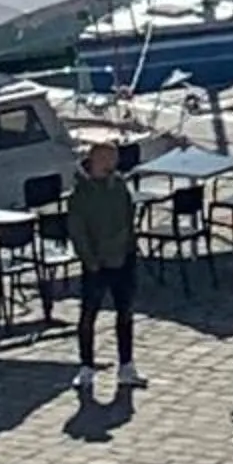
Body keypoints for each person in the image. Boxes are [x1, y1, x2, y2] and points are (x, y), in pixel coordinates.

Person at [66, 139, 144, 397]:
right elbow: (78, 231)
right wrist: (91, 260)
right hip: (97, 264)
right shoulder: (81, 193)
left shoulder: (119, 185)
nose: (114, 164)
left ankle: (126, 366)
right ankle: (86, 366)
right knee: (89, 315)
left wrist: (129, 248)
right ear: (96, 159)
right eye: (109, 159)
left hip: (123, 258)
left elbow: (127, 216)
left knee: (125, 313)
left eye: (115, 159)